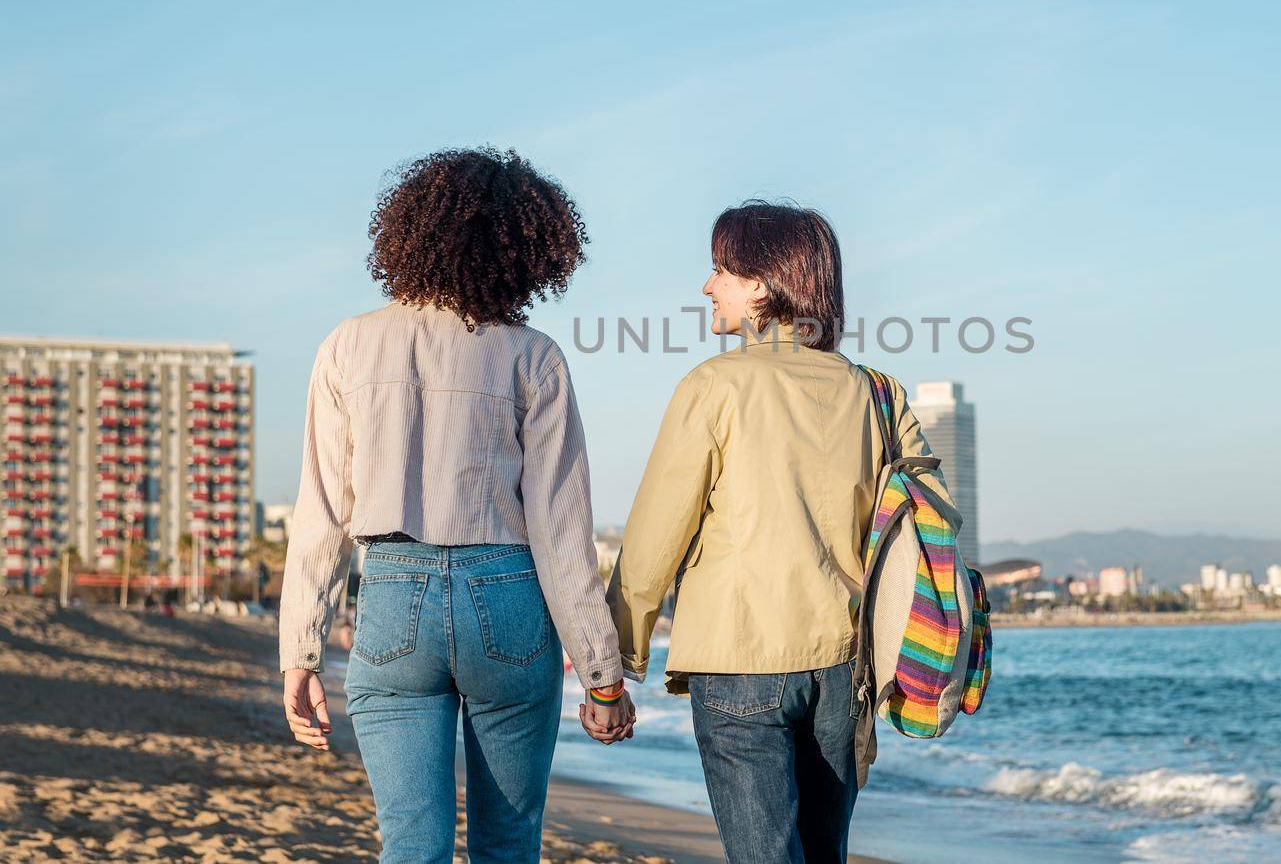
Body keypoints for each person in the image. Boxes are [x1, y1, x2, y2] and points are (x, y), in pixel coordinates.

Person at [278, 147, 636, 863]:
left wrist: (300, 653)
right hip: (507, 598)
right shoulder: (533, 356)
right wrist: (601, 671)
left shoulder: (346, 346)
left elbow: (319, 516)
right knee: (508, 847)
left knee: (412, 845)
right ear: (526, 247)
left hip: (392, 595)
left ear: (408, 234)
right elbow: (561, 534)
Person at [605, 200, 950, 864]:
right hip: (844, 665)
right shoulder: (877, 392)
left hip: (739, 659)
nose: (707, 286)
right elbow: (929, 517)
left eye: (719, 271)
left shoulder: (713, 385)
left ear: (761, 284)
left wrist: (615, 662)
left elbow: (653, 540)